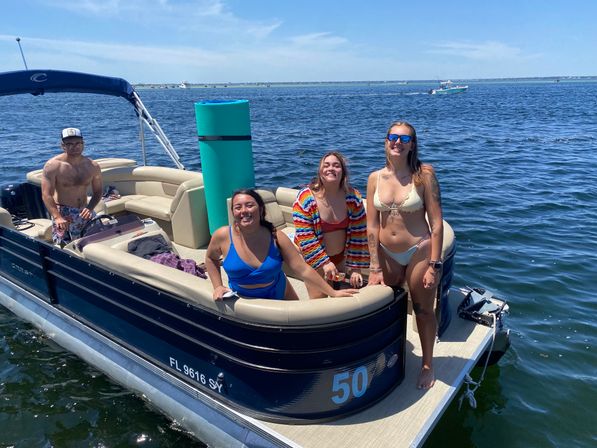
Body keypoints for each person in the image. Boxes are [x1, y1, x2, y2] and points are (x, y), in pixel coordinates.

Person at [366, 121, 444, 390]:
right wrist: (374, 265)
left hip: (419, 250)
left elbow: (436, 224)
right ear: (385, 141)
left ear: (412, 145)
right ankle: (390, 354)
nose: (397, 142)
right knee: (389, 305)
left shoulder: (424, 176)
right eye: (392, 137)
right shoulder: (375, 178)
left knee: (423, 309)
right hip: (386, 253)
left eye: (404, 138)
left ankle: (427, 364)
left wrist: (434, 265)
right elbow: (372, 225)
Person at [205, 189, 359, 301]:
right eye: (238, 207)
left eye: (249, 205)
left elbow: (303, 269)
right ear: (233, 212)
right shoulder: (222, 236)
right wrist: (218, 286)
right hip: (242, 298)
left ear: (260, 208)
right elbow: (211, 259)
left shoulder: (276, 237)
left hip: (278, 293)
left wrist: (332, 292)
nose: (244, 211)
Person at [292, 151, 369, 298]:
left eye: (336, 165)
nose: (330, 168)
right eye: (326, 165)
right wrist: (324, 263)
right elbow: (306, 237)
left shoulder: (353, 198)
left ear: (343, 172)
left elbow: (359, 234)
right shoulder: (305, 199)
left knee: (341, 298)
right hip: (312, 259)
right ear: (320, 171)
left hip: (340, 257)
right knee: (319, 301)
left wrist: (356, 267)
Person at [41, 128, 103, 246]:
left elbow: (98, 191)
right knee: (65, 247)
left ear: (83, 144)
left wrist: (90, 208)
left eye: (78, 143)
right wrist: (57, 217)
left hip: (85, 210)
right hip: (64, 213)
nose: (74, 147)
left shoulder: (92, 166)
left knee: (95, 243)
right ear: (62, 146)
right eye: (69, 144)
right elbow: (46, 194)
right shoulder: (53, 166)